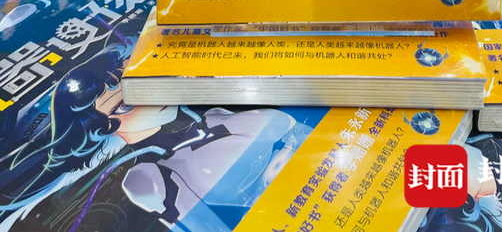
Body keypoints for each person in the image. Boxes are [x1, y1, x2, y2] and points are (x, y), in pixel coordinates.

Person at [0, 46, 312, 232]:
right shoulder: (150, 177)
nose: (148, 96)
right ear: (102, 128)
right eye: (125, 103)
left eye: (140, 81)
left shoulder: (211, 115)